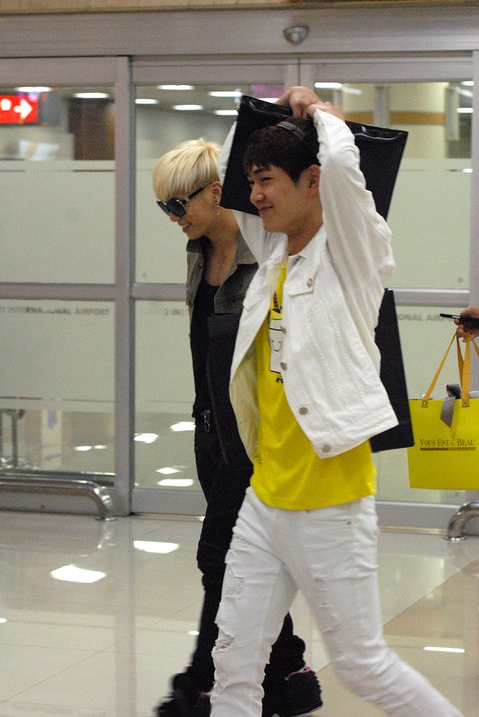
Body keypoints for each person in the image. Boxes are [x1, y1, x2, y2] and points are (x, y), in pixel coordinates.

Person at [209, 86, 465, 717]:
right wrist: (267, 115)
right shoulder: (274, 256)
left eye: (268, 181)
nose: (256, 195)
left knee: (360, 665)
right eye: (253, 182)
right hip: (266, 498)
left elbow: (347, 172)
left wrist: (319, 112)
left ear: (312, 181)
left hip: (330, 503)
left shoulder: (352, 253)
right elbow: (229, 176)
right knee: (233, 662)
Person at [151, 138, 322, 717]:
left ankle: (201, 681)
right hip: (211, 429)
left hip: (253, 437)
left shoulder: (267, 255)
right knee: (248, 560)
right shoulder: (201, 250)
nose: (174, 218)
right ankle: (290, 672)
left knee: (218, 557)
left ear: (216, 192)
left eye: (179, 204)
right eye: (164, 207)